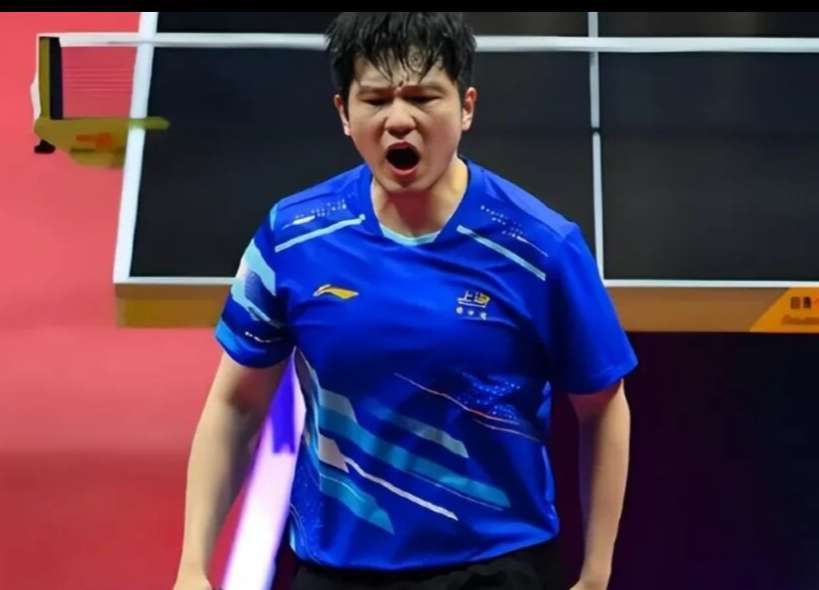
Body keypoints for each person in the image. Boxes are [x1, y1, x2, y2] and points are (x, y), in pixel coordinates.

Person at [172, 12, 636, 590]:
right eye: (375, 100)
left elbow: (602, 405)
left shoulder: (541, 247)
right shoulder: (292, 238)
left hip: (493, 570)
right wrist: (192, 566)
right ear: (344, 113)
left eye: (423, 97)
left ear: (466, 107)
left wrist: (596, 574)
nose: (398, 120)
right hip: (335, 573)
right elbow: (237, 404)